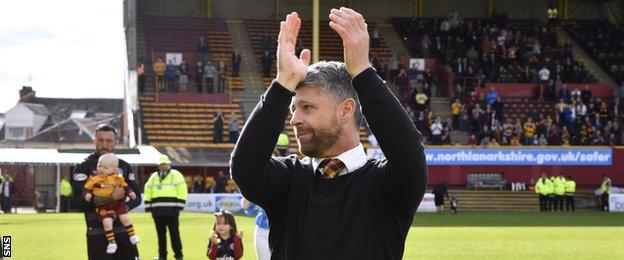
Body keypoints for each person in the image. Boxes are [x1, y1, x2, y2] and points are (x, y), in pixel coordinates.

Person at [230, 9, 427, 259]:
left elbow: (410, 157)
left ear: (346, 110)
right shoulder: (288, 181)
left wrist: (364, 73)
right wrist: (282, 86)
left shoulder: (385, 185)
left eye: (307, 108)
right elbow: (244, 169)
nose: (294, 119)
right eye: (293, 108)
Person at [71, 124, 141, 259]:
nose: (104, 144)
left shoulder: (124, 166)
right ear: (94, 141)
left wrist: (120, 209)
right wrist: (110, 198)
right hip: (97, 233)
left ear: (116, 143)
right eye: (100, 140)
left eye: (109, 141)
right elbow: (79, 202)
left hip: (123, 231)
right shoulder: (83, 167)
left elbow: (137, 197)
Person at [83, 153, 139, 254]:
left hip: (118, 204)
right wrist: (87, 194)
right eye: (99, 166)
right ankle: (112, 242)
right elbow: (86, 188)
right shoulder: (94, 178)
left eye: (105, 168)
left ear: (114, 169)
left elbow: (126, 187)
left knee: (125, 219)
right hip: (103, 206)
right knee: (107, 223)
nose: (101, 169)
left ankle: (132, 235)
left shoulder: (118, 177)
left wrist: (131, 193)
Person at [144, 155, 188, 260]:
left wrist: (180, 205)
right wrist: (148, 206)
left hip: (172, 211)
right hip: (157, 212)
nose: (162, 166)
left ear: (168, 164)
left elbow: (182, 189)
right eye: (160, 164)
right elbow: (147, 190)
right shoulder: (153, 177)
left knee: (174, 234)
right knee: (161, 236)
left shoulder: (176, 175)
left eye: (164, 164)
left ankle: (178, 255)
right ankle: (162, 256)